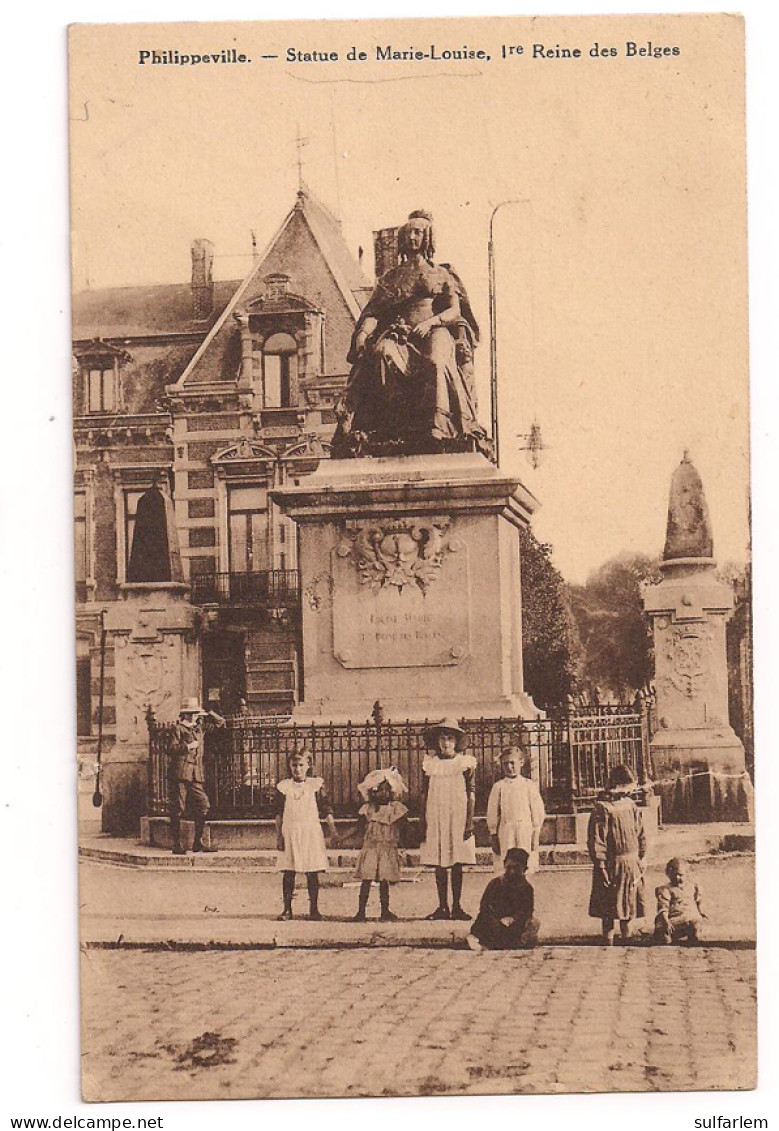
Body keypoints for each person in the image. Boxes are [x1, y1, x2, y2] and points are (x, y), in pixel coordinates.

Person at [332, 210, 490, 458]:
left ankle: (438, 428)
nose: (412, 237)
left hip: (434, 330)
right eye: (409, 232)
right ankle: (393, 426)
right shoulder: (391, 278)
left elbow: (454, 310)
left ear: (427, 237)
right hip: (400, 334)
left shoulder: (442, 274)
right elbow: (374, 312)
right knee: (382, 353)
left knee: (436, 361)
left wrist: (431, 323)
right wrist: (362, 335)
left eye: (418, 232)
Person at [420, 717, 477, 920]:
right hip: (436, 815)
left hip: (457, 815)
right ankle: (442, 906)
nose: (446, 743)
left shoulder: (465, 764)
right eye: (443, 738)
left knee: (457, 861)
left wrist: (469, 821)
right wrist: (423, 820)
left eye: (450, 738)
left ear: (456, 742)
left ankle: (457, 906)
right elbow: (424, 794)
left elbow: (471, 793)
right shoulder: (430, 765)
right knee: (440, 861)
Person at [275, 745, 337, 921]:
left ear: (308, 765)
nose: (298, 769)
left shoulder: (316, 786)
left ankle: (314, 910)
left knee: (312, 871)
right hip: (291, 831)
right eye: (294, 765)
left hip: (310, 832)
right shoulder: (283, 787)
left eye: (301, 765)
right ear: (289, 766)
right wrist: (279, 836)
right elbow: (278, 814)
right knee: (289, 871)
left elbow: (326, 809)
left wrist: (333, 831)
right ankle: (287, 909)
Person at [587, 764, 647, 944]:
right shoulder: (603, 808)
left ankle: (627, 937)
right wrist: (601, 865)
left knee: (629, 903)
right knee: (609, 903)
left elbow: (640, 832)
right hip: (612, 863)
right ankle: (608, 939)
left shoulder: (631, 805)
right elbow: (597, 839)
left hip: (631, 862)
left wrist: (642, 857)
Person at [167, 697, 225, 855]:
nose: (194, 716)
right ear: (184, 714)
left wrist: (210, 712)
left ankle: (197, 843)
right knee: (178, 808)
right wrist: (188, 746)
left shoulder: (199, 728)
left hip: (195, 774)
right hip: (180, 773)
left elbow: (220, 723)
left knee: (203, 805)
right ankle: (177, 844)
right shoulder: (177, 729)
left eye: (196, 713)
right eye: (191, 713)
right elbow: (171, 748)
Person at [353, 767, 409, 922]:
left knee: (384, 881)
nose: (383, 793)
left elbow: (405, 827)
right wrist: (342, 838)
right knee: (366, 880)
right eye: (379, 790)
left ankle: (385, 910)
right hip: (371, 849)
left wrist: (407, 840)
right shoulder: (367, 809)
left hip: (387, 849)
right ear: (372, 791)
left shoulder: (396, 809)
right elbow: (358, 827)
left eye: (387, 789)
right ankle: (361, 911)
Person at [487, 744, 546, 875]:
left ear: (521, 763)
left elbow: (538, 812)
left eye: (512, 763)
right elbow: (492, 813)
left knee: (525, 865)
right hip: (506, 832)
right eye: (505, 764)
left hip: (525, 831)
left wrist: (535, 834)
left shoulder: (529, 785)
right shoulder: (499, 787)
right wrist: (493, 835)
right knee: (506, 867)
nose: (509, 767)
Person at [467, 848, 540, 952]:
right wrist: (497, 919)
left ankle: (509, 943)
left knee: (533, 924)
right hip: (495, 921)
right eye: (509, 867)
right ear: (504, 865)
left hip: (514, 924)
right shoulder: (495, 884)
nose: (512, 871)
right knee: (483, 922)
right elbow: (485, 906)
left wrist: (513, 918)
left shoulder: (526, 888)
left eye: (516, 868)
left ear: (524, 869)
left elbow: (527, 910)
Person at [654, 857, 707, 945]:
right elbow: (663, 908)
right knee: (665, 939)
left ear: (687, 874)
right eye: (674, 875)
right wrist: (666, 922)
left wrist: (701, 912)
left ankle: (692, 941)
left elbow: (698, 901)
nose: (677, 877)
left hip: (687, 919)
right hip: (671, 921)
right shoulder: (665, 889)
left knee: (696, 924)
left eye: (680, 875)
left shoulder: (693, 887)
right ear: (668, 874)